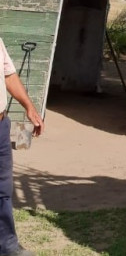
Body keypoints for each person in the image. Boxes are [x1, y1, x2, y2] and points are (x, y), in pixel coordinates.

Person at [0, 38, 44, 256]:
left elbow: (8, 74)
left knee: (3, 189)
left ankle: (7, 246)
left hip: (0, 124)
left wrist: (29, 106)